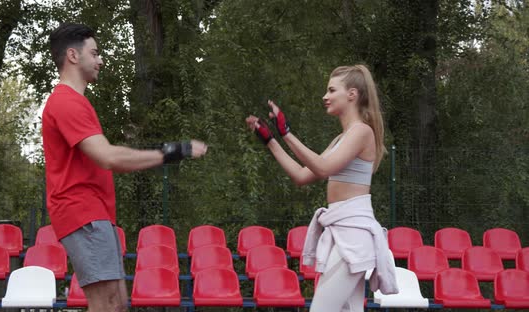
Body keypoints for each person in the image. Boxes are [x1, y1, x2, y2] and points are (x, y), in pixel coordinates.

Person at [42, 23, 208, 312]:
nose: (100, 60)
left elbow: (108, 160)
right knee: (106, 304)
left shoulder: (77, 102)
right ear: (72, 55)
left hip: (94, 215)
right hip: (82, 212)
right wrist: (171, 152)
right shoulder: (66, 102)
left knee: (116, 303)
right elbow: (108, 156)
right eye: (94, 53)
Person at [245, 65, 397, 312]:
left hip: (353, 234)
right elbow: (302, 176)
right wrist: (271, 140)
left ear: (352, 94)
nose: (325, 97)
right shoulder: (341, 139)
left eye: (331, 90)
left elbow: (323, 168)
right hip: (344, 232)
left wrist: (287, 133)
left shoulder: (361, 132)